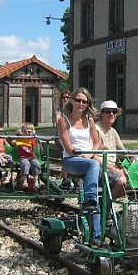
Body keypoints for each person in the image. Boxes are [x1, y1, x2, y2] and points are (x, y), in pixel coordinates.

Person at [57, 87, 101, 245]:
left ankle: (97, 236)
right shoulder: (64, 120)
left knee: (108, 185)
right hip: (71, 161)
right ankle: (90, 201)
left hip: (88, 159)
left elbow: (97, 143)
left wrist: (89, 154)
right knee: (93, 166)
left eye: (84, 101)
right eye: (78, 100)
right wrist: (83, 156)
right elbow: (68, 148)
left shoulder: (89, 120)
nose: (81, 104)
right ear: (71, 101)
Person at [94, 100, 128, 199]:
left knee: (134, 183)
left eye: (114, 111)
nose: (112, 114)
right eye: (108, 111)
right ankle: (106, 209)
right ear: (101, 114)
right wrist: (115, 170)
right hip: (99, 168)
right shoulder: (95, 129)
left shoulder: (113, 131)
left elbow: (123, 151)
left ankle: (105, 202)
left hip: (111, 168)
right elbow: (92, 156)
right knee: (121, 180)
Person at [14, 122, 41, 191]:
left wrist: (35, 138)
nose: (27, 133)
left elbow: (35, 147)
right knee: (25, 163)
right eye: (25, 131)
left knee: (36, 163)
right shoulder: (20, 139)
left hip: (32, 157)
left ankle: (36, 179)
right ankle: (24, 179)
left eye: (29, 132)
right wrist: (18, 138)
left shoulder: (32, 139)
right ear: (22, 131)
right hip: (23, 157)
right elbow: (13, 142)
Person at [54, 90, 71, 188]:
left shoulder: (74, 110)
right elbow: (59, 123)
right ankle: (65, 178)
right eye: (64, 97)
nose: (66, 99)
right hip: (60, 137)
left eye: (68, 97)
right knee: (66, 153)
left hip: (71, 136)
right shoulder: (59, 111)